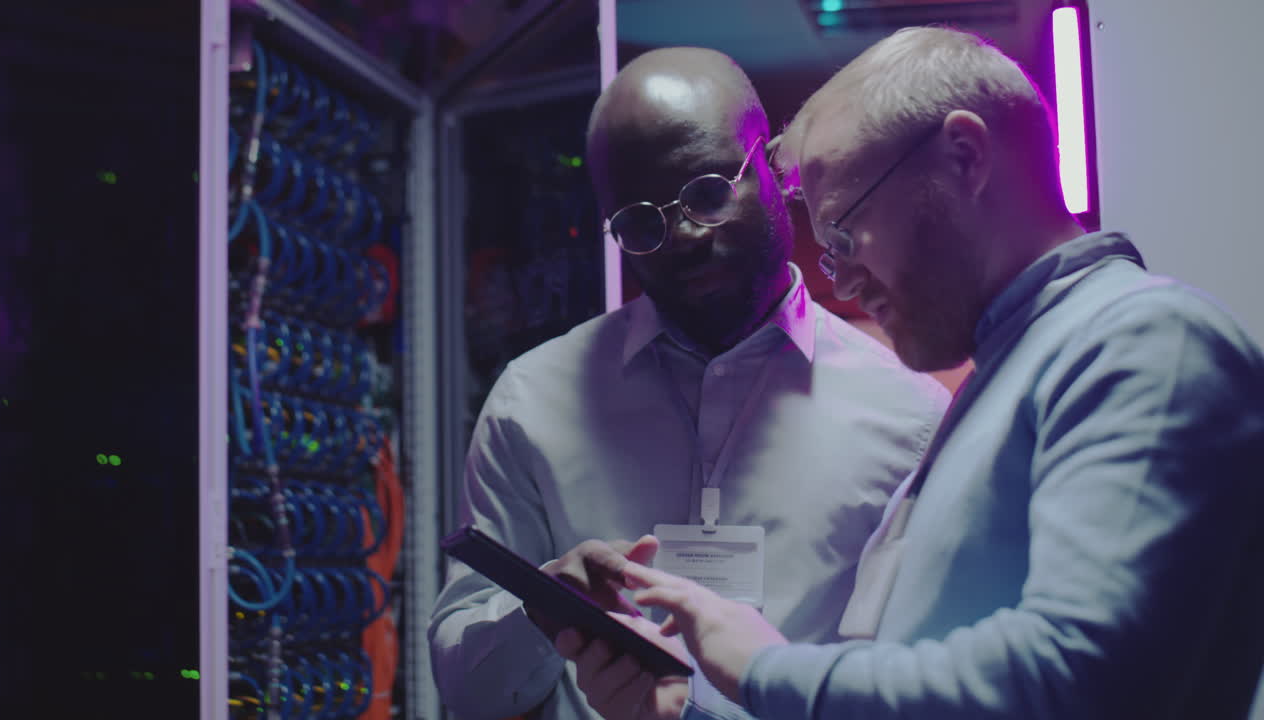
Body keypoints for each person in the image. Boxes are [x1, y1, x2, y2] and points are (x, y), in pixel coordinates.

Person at [557, 26, 1264, 719]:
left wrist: (766, 669)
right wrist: (692, 710)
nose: (840, 276)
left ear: (964, 157)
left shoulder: (1145, 341)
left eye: (843, 232)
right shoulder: (1005, 378)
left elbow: (1083, 682)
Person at [428, 46, 951, 719]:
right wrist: (543, 610)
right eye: (641, 222)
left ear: (774, 168)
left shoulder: (908, 413)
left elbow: (930, 687)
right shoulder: (530, 404)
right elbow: (467, 694)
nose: (681, 235)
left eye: (706, 193)